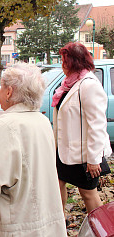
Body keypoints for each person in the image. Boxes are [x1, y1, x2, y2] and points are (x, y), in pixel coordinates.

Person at [0, 63, 67, 236]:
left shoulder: (6, 126)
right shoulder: (42, 121)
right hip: (40, 220)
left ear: (9, 92)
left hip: (14, 223)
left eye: (1, 88)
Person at [52, 42, 112, 217]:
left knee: (88, 194)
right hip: (65, 150)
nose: (62, 64)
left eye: (64, 60)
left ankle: (102, 229)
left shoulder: (88, 85)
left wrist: (94, 160)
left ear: (73, 62)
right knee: (56, 185)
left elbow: (97, 125)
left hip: (83, 154)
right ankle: (58, 225)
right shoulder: (68, 84)